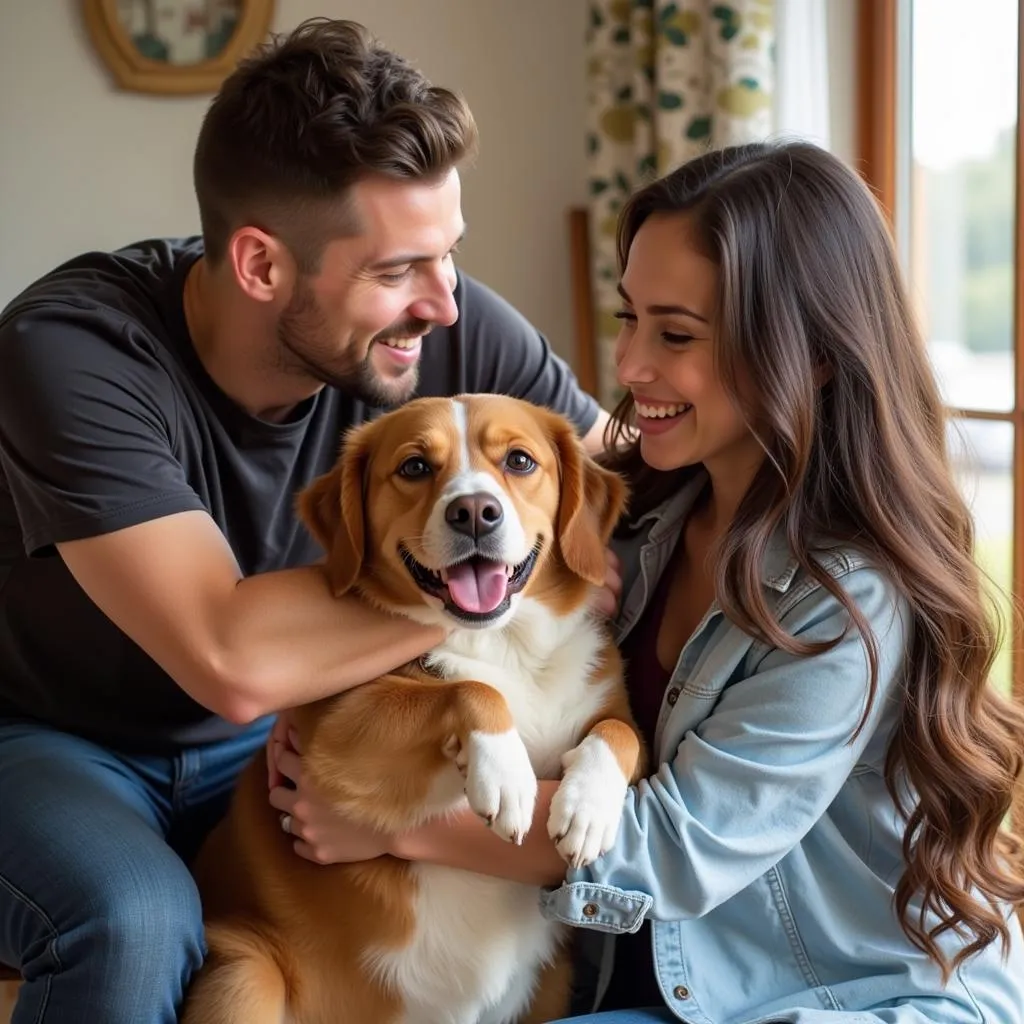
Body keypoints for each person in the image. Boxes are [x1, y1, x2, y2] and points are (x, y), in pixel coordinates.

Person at [270, 141, 1024, 1022]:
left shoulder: (850, 598)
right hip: (649, 986)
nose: (628, 367)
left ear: (810, 353)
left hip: (829, 999)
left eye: (676, 335)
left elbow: (675, 847)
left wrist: (388, 820)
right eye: (629, 318)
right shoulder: (637, 516)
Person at [0, 18, 610, 1024]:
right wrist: (500, 583)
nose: (445, 305)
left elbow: (604, 490)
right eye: (397, 270)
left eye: (448, 254)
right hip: (51, 738)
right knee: (132, 919)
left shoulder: (443, 331)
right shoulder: (69, 353)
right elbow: (231, 657)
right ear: (258, 264)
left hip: (289, 731)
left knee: (575, 894)